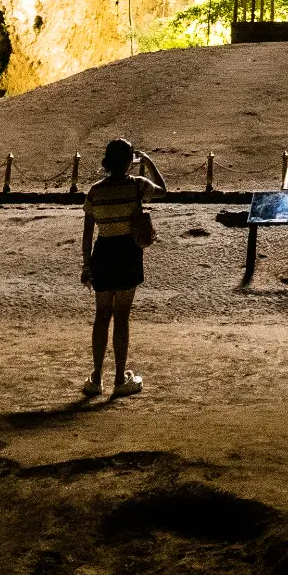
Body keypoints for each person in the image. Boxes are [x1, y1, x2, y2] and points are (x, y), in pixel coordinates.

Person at [80, 138, 167, 399]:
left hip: (103, 252)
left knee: (102, 315)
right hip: (128, 253)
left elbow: (87, 235)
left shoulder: (95, 191)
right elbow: (163, 190)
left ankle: (96, 378)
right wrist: (149, 163)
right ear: (130, 161)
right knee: (122, 316)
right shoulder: (137, 186)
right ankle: (120, 378)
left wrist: (87, 265)